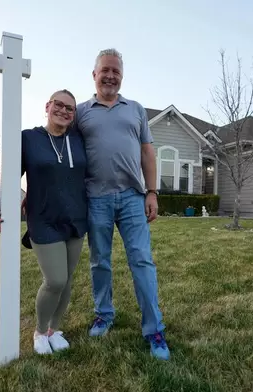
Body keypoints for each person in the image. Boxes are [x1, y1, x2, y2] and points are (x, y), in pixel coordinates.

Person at [73, 48, 170, 360]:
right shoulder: (82, 112)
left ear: (122, 76)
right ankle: (104, 314)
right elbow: (70, 154)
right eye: (105, 70)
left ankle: (154, 329)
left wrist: (152, 192)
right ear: (94, 74)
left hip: (132, 198)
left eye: (116, 71)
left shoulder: (136, 109)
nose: (110, 76)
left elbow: (147, 154)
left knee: (142, 261)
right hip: (96, 198)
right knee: (99, 261)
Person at [0, 89, 88, 355]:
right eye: (59, 104)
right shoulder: (29, 139)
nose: (64, 111)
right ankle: (40, 331)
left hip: (76, 219)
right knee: (55, 280)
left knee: (67, 281)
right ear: (47, 106)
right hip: (43, 219)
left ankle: (55, 330)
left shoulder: (78, 140)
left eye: (70, 108)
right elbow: (9, 174)